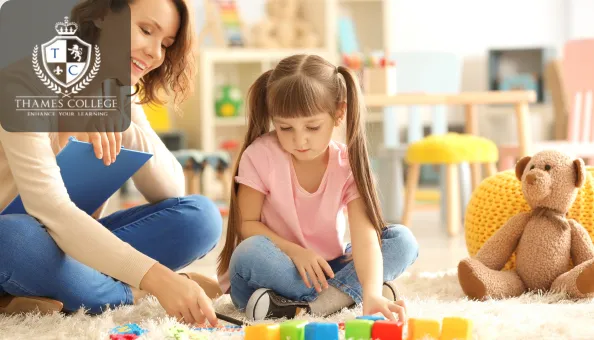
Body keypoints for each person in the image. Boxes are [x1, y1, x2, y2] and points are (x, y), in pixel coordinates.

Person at [0, 0, 222, 327]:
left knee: (201, 218)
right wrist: (157, 281)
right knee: (13, 237)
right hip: (18, 239)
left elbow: (171, 189)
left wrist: (124, 123)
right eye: (146, 31)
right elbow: (50, 208)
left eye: (165, 45)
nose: (155, 54)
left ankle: (72, 290)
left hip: (71, 248)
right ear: (103, 16)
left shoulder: (118, 90)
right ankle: (132, 294)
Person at [216, 54, 419, 322]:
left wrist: (372, 293)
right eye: (285, 127)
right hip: (277, 268)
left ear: (339, 114)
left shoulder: (348, 163)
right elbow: (247, 224)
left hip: (327, 268)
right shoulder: (260, 154)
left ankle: (309, 307)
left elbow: (365, 236)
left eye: (312, 127)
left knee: (401, 241)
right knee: (247, 253)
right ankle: (343, 298)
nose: (299, 139)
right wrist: (295, 251)